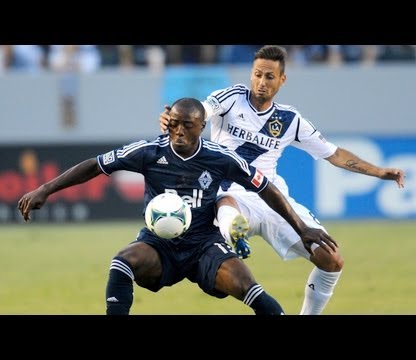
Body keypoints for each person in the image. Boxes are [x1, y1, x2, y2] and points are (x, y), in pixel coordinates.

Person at [18, 97, 337, 315]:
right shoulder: (148, 152)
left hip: (205, 244)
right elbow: (95, 165)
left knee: (249, 288)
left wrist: (302, 226)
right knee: (122, 262)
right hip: (159, 245)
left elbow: (266, 189)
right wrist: (46, 189)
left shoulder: (220, 158)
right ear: (167, 122)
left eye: (187, 125)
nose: (179, 131)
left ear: (201, 126)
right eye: (174, 124)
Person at [159, 45, 406, 315]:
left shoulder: (290, 120)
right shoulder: (230, 98)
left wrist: (380, 172)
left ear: (282, 80)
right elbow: (201, 111)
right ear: (250, 75)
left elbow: (334, 154)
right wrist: (176, 118)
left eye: (269, 76)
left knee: (331, 259)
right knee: (225, 201)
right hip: (232, 195)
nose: (261, 82)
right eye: (257, 75)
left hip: (272, 199)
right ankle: (234, 233)